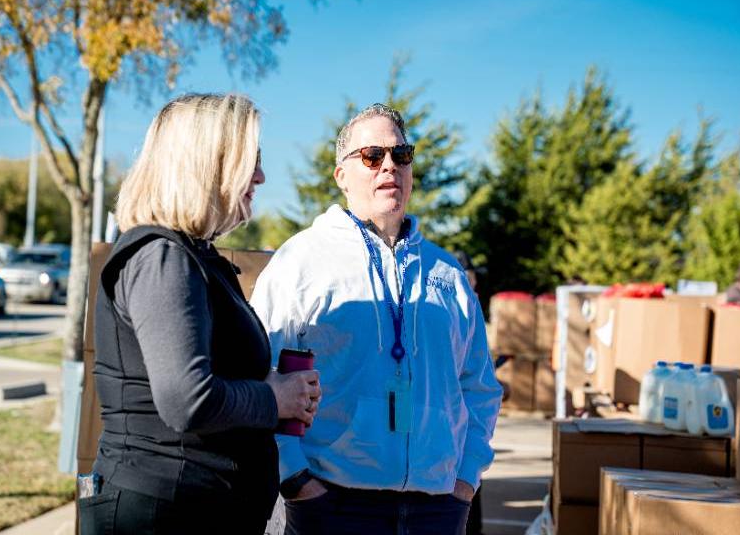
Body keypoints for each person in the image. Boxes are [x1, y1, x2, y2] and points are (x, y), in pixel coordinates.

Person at [251, 103, 502, 535]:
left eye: (401, 155)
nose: (389, 166)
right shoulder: (301, 262)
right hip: (332, 505)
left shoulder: (447, 275)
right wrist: (295, 478)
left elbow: (478, 387)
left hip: (437, 509)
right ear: (341, 176)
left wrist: (465, 480)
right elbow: (262, 374)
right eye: (372, 156)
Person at [80, 93, 321, 535]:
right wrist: (275, 398)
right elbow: (186, 399)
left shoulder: (192, 255)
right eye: (253, 159)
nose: (262, 175)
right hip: (162, 513)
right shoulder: (161, 257)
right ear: (208, 163)